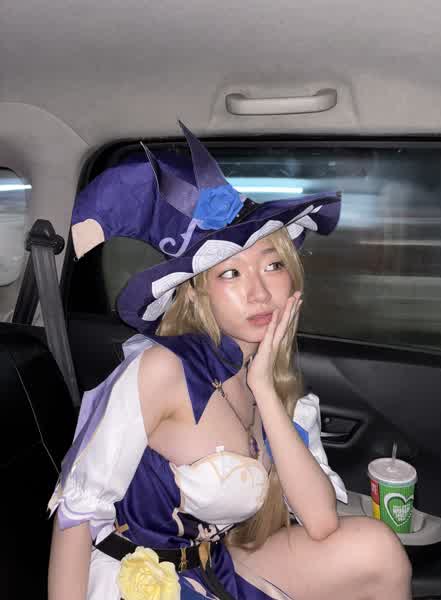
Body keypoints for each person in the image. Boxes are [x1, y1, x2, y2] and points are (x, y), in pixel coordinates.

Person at [47, 122, 412, 600]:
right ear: (198, 293)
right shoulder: (162, 371)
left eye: (272, 265)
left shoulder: (265, 374)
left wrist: (266, 391)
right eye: (231, 273)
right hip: (132, 579)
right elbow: (76, 516)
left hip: (213, 563)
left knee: (378, 551)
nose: (258, 292)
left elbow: (322, 522)